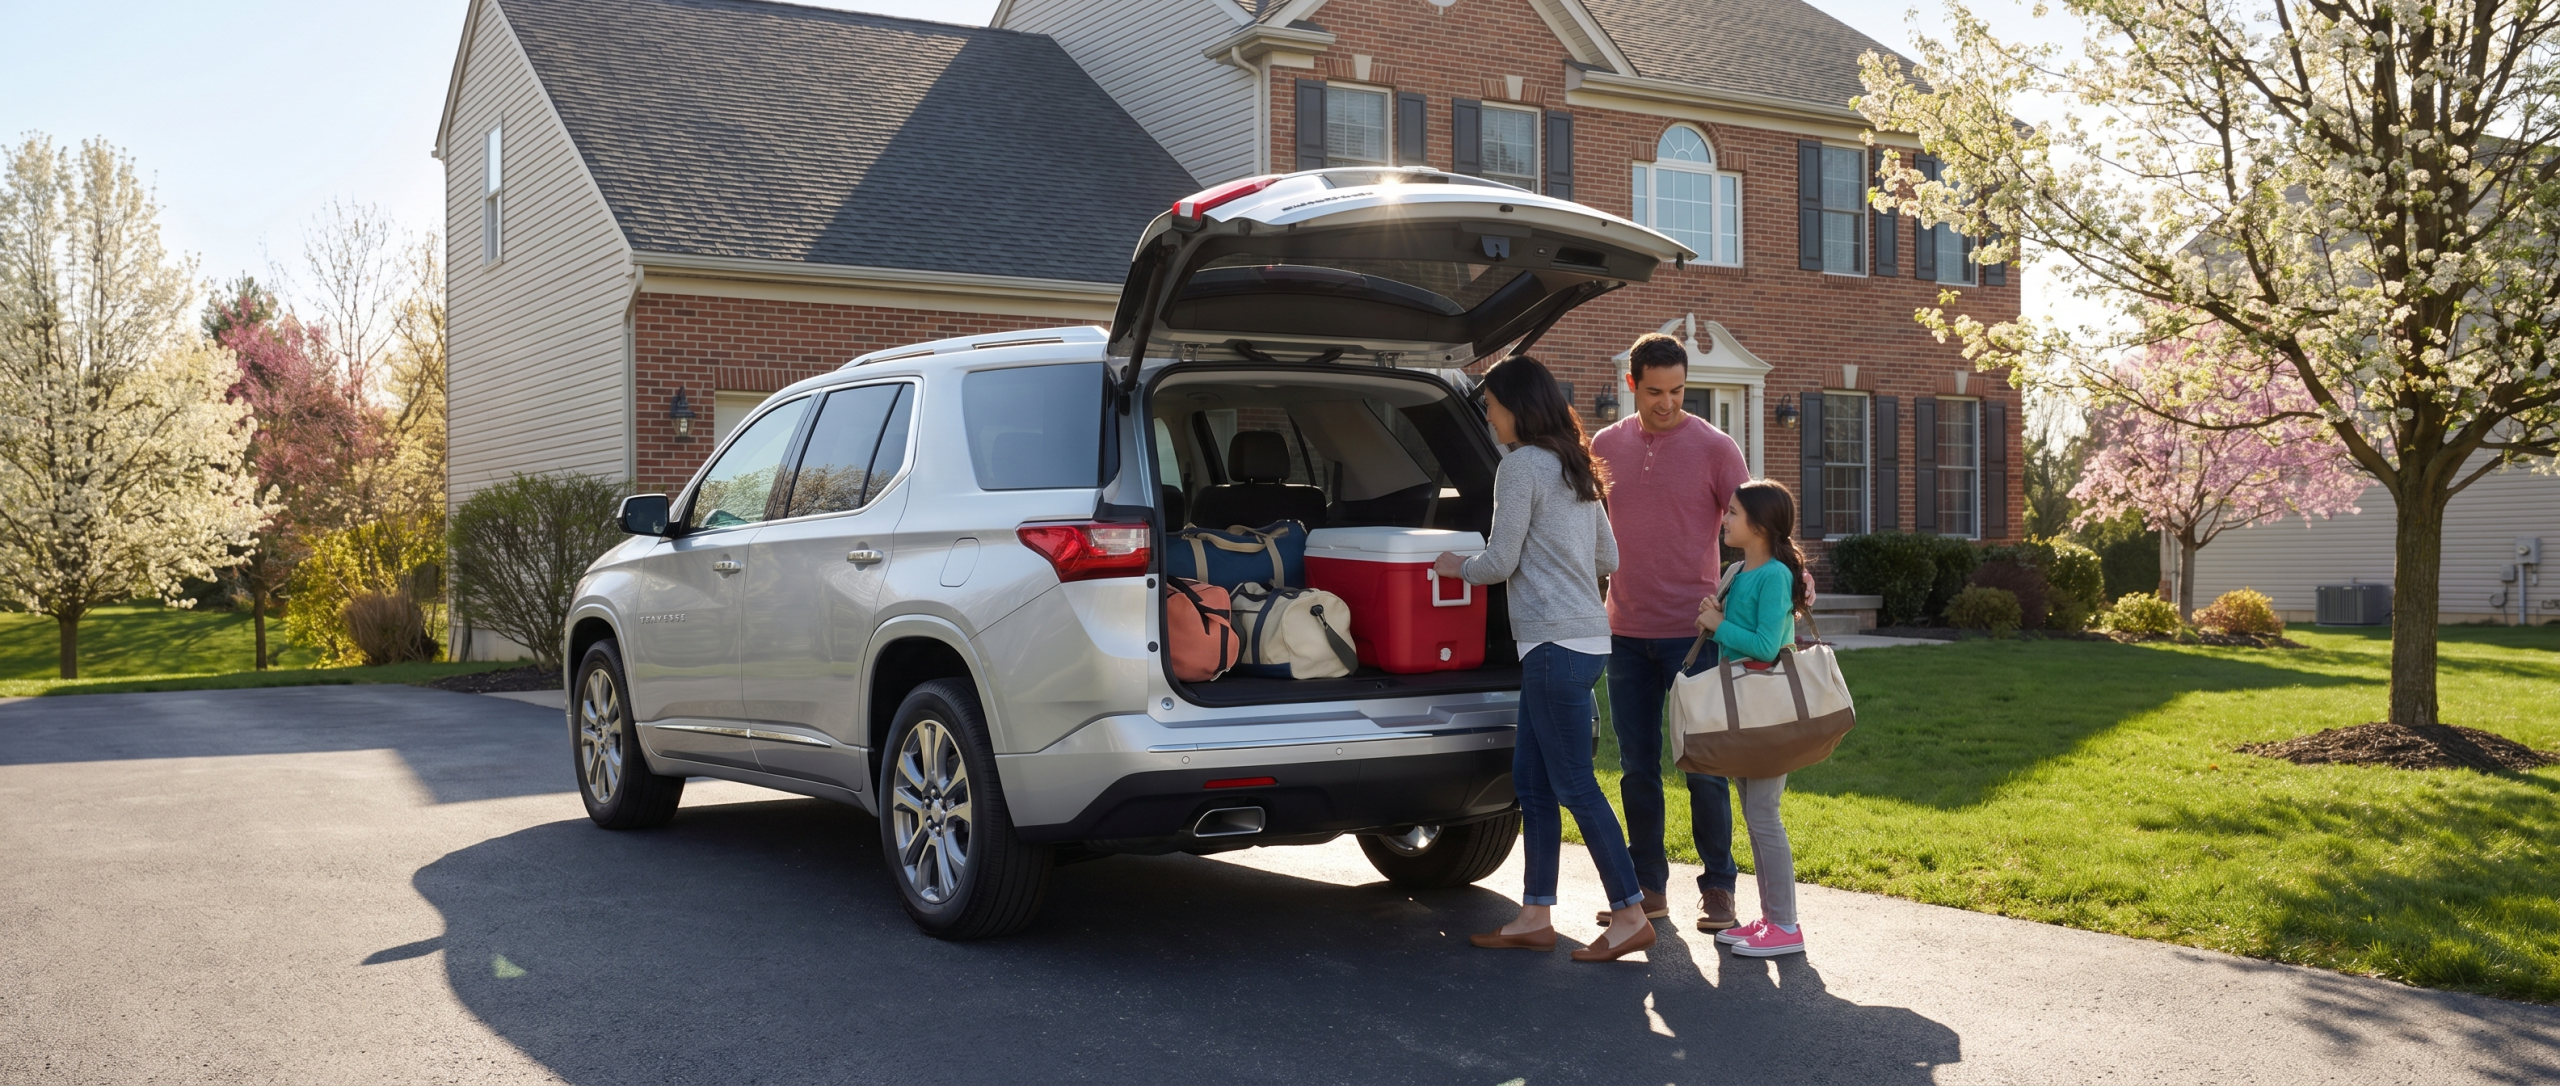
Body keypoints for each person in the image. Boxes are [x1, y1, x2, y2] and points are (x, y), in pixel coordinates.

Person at [1432, 355, 1653, 963]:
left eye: (1492, 407)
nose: (1488, 417)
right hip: (1581, 643)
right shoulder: (1573, 465)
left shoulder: (1521, 467)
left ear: (1515, 407)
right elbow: (1607, 557)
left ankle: (1631, 912)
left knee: (1574, 785)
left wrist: (1456, 566)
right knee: (1532, 782)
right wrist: (1561, 560)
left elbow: (1498, 563)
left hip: (1553, 646)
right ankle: (1534, 914)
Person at [1587, 333, 1751, 933]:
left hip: (1695, 637)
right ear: (1632, 385)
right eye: (1655, 391)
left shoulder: (1713, 446)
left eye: (1678, 390)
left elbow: (1755, 519)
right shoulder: (1605, 445)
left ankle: (1719, 888)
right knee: (1637, 767)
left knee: (1704, 766)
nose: (1668, 402)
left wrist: (1794, 572)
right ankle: (1647, 889)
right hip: (1625, 631)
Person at [1697, 479, 1814, 958]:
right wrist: (1715, 613)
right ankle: (1770, 919)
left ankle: (1786, 925)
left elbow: (1768, 646)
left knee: (1764, 813)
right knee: (1754, 811)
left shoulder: (1774, 577)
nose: (1725, 520)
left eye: (1734, 514)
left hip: (1767, 708)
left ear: (1761, 526)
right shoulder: (1739, 571)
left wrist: (1718, 624)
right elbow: (1737, 632)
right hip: (1744, 706)